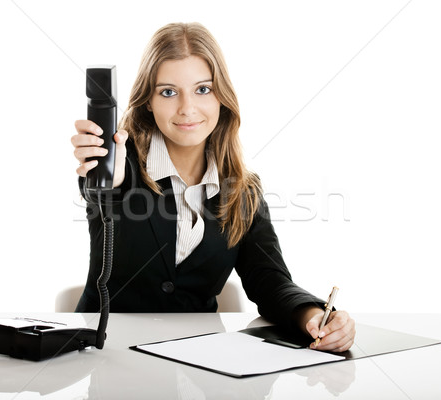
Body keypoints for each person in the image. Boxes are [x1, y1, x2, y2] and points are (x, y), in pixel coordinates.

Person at [71, 22, 355, 352]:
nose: (187, 109)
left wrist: (316, 316)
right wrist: (105, 173)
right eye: (168, 92)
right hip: (106, 354)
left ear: (222, 96)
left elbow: (269, 279)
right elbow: (103, 193)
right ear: (147, 100)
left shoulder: (243, 190)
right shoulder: (121, 166)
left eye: (202, 89)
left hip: (197, 360)